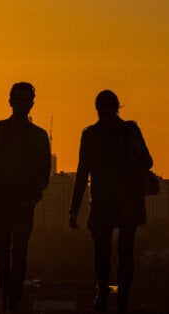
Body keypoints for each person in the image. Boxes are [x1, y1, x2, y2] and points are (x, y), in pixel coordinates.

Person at [0, 82, 51, 311]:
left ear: (32, 103)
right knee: (2, 254)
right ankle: (8, 301)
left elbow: (44, 171)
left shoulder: (39, 136)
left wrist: (35, 196)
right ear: (11, 102)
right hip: (0, 204)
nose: (23, 104)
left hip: (24, 204)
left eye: (27, 100)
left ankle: (12, 302)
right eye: (19, 99)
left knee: (20, 253)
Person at [69, 90, 152, 312]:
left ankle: (118, 294)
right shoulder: (93, 134)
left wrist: (74, 209)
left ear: (115, 110)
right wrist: (74, 208)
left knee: (122, 250)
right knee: (104, 250)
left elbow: (147, 161)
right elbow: (82, 172)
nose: (105, 117)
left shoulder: (127, 131)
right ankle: (105, 291)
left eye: (108, 112)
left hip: (125, 199)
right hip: (110, 200)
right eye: (102, 112)